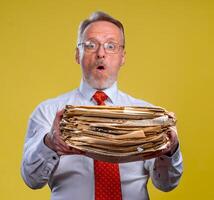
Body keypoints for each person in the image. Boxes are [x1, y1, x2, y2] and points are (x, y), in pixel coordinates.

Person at [21, 11, 183, 200]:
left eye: (111, 46)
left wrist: (170, 151)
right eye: (90, 45)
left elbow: (166, 184)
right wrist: (50, 143)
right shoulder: (48, 112)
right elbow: (32, 179)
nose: (101, 53)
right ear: (77, 54)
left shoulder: (149, 117)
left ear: (123, 57)